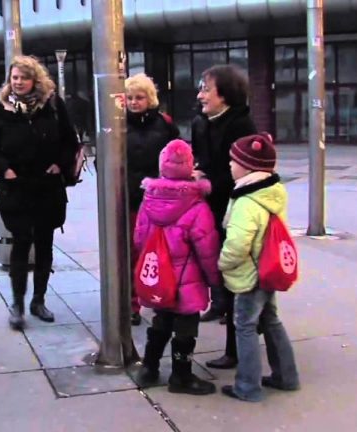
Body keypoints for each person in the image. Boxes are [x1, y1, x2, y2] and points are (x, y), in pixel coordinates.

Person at [0, 55, 79, 330]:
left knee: (45, 243)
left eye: (24, 78)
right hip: (17, 187)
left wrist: (59, 164)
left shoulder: (52, 105)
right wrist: (5, 169)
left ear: (35, 80)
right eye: (14, 78)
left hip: (47, 187)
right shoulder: (3, 109)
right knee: (20, 243)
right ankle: (17, 303)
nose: (19, 82)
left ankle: (39, 299)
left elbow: (70, 141)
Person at [133, 139, 222, 395]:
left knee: (161, 320)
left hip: (160, 275)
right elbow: (207, 249)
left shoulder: (148, 199)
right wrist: (215, 281)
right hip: (187, 278)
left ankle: (149, 368)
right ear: (189, 166)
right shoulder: (196, 205)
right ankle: (181, 376)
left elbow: (139, 238)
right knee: (186, 325)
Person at [218, 133, 300, 402]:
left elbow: (238, 244)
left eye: (234, 160)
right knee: (271, 320)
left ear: (248, 166)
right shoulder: (271, 192)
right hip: (268, 269)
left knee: (245, 326)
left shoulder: (247, 202)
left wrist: (222, 263)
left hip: (249, 276)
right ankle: (286, 376)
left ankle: (247, 386)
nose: (230, 164)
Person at [191, 64, 257, 370]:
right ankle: (225, 313)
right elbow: (205, 159)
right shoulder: (203, 122)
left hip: (236, 211)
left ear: (225, 94)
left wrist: (207, 181)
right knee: (222, 274)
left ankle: (237, 350)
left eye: (206, 88)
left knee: (238, 280)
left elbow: (242, 174)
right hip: (212, 208)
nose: (200, 94)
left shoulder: (241, 125)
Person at [125, 73, 180, 325]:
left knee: (157, 251)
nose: (134, 102)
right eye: (130, 98)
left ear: (150, 98)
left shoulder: (164, 124)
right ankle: (132, 304)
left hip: (158, 199)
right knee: (130, 252)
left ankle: (159, 295)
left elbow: (177, 156)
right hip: (128, 198)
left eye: (139, 97)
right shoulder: (118, 124)